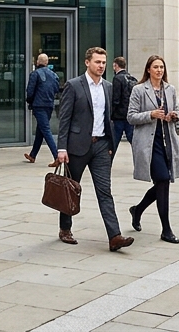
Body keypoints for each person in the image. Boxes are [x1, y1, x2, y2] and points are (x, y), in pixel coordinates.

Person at [56, 47, 134, 252]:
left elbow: (110, 117)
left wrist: (109, 145)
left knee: (105, 191)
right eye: (97, 62)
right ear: (87, 62)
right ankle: (65, 228)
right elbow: (64, 119)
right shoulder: (74, 86)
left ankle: (114, 236)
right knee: (71, 189)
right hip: (77, 146)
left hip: (101, 146)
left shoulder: (108, 87)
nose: (101, 66)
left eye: (103, 62)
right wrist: (61, 148)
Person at [127, 55, 179, 244]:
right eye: (156, 67)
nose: (159, 70)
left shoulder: (170, 89)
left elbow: (178, 111)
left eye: (162, 67)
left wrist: (174, 116)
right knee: (163, 180)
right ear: (148, 69)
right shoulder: (139, 90)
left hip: (167, 141)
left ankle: (138, 209)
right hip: (148, 144)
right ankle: (166, 229)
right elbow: (131, 117)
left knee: (162, 182)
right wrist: (151, 114)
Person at [23, 54, 60, 165]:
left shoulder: (35, 74)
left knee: (45, 130)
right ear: (47, 63)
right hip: (49, 105)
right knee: (41, 130)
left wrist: (30, 101)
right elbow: (56, 89)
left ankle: (56, 156)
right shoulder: (54, 75)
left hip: (39, 105)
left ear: (38, 62)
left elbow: (30, 91)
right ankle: (33, 155)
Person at [110, 56, 136, 152]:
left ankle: (106, 165)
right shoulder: (132, 78)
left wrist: (111, 113)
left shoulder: (117, 79)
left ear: (115, 65)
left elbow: (115, 99)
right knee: (133, 142)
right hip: (130, 115)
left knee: (114, 142)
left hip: (119, 116)